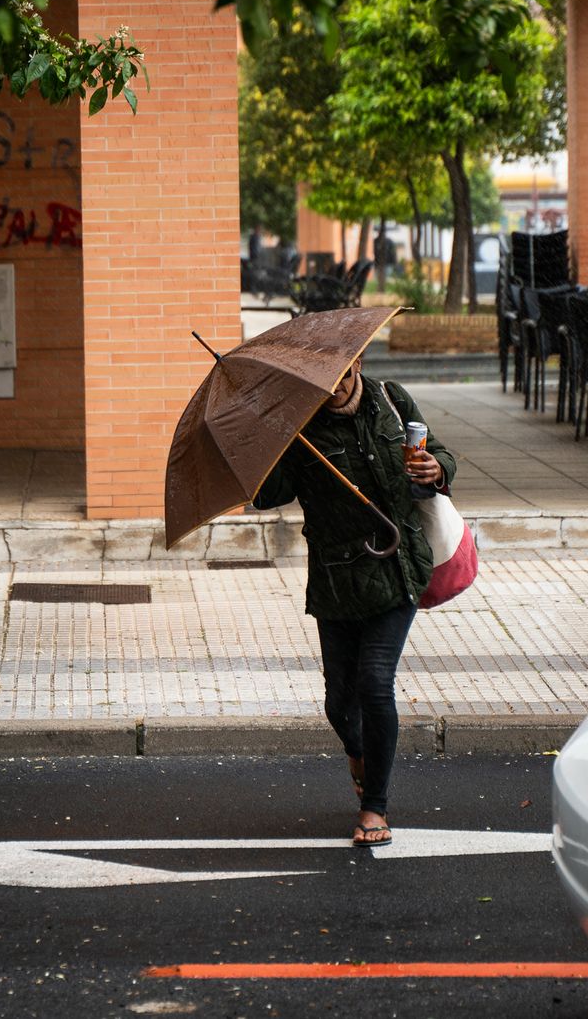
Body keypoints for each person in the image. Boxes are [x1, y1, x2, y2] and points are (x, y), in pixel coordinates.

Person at [253, 358, 455, 847]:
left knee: (374, 681)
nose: (333, 389)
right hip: (336, 580)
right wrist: (269, 442)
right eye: (321, 382)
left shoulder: (392, 399)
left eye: (341, 377)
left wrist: (436, 468)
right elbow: (265, 497)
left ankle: (374, 807)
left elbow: (441, 455)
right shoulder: (300, 429)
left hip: (398, 566)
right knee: (339, 704)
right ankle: (359, 751)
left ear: (357, 363)